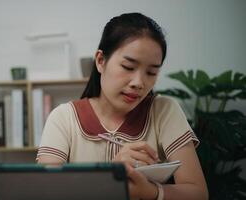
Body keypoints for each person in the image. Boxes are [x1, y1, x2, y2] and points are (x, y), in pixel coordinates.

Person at [36, 13, 208, 200]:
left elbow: (198, 193)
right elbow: (44, 192)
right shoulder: (64, 118)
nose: (139, 83)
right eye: (128, 67)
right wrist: (110, 177)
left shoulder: (164, 111)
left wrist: (151, 191)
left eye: (151, 72)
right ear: (101, 61)